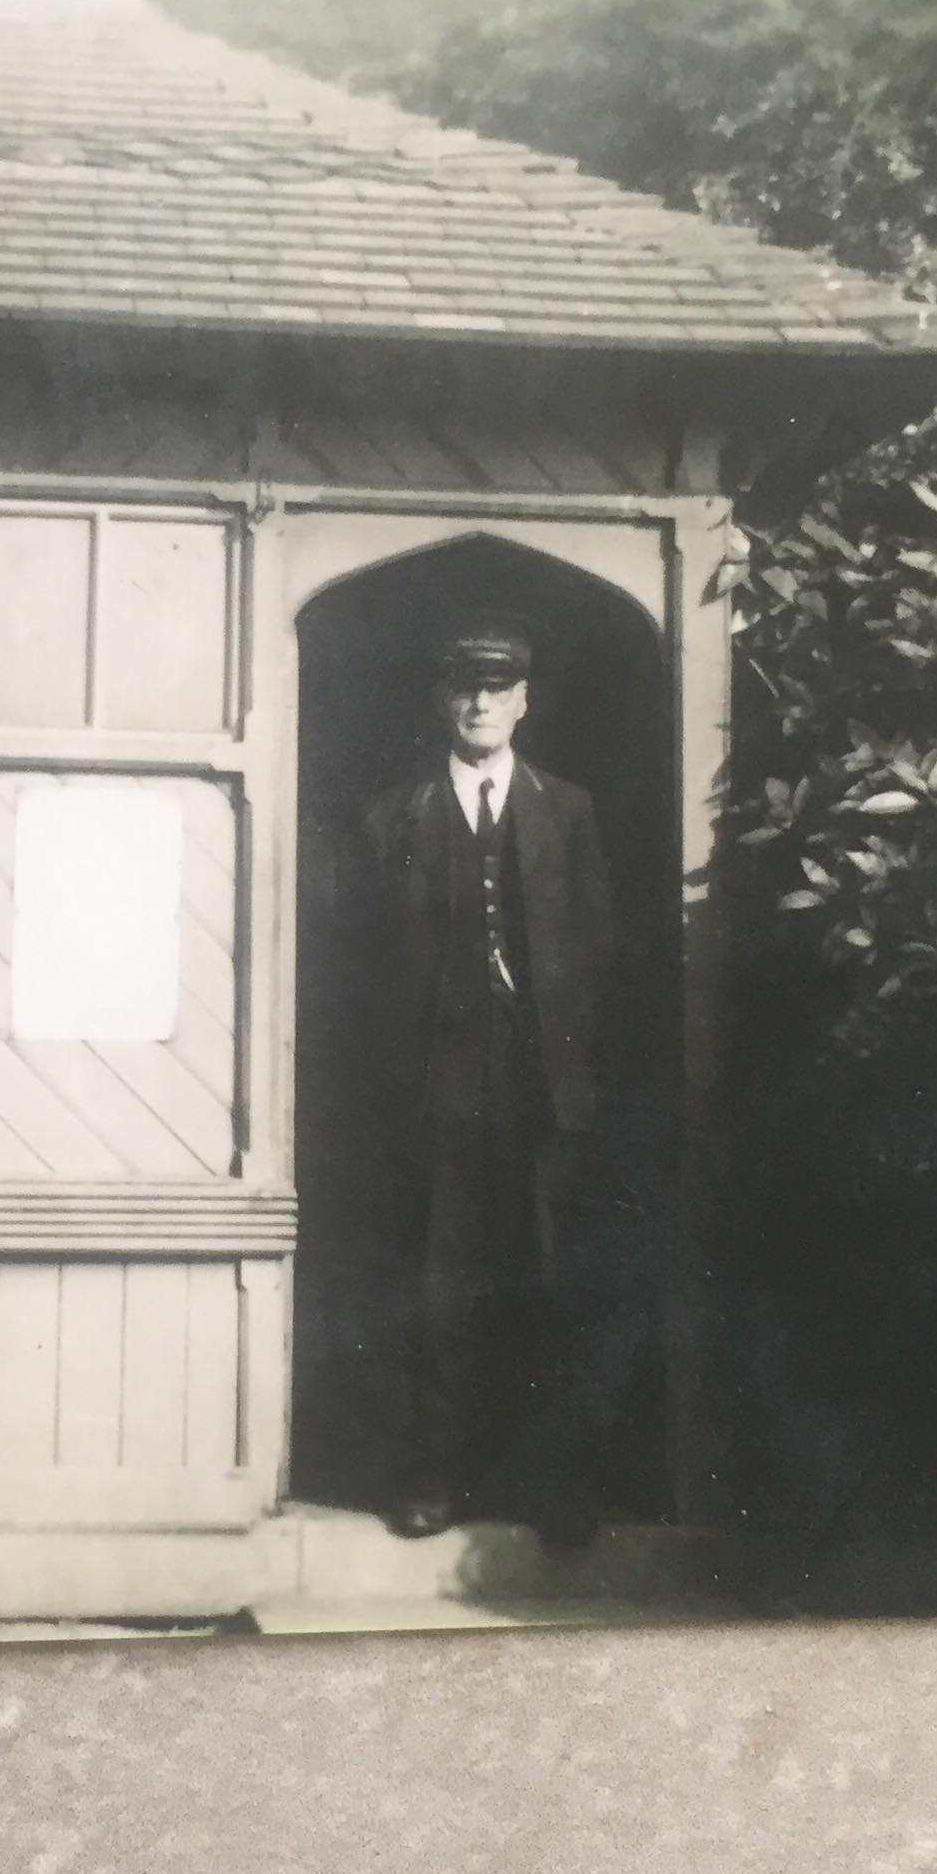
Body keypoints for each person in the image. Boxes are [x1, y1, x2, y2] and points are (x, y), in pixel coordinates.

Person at [355, 612, 611, 1542]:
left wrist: (582, 1082)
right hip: (436, 1086)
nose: (480, 703)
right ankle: (432, 1478)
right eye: (465, 687)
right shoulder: (393, 814)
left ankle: (551, 1488)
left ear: (523, 703)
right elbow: (360, 966)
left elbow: (598, 953)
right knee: (438, 1280)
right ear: (441, 701)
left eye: (497, 689)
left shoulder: (567, 810)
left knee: (545, 1275)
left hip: (542, 1087)